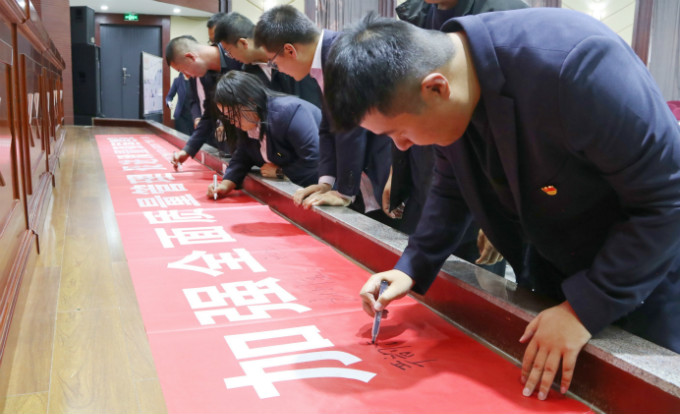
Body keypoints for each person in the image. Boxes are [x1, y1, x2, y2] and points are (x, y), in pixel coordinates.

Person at [323, 10, 680, 401]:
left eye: (400, 132)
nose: (402, 146)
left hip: (640, 272)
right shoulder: (451, 93)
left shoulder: (577, 67)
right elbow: (452, 186)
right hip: (553, 268)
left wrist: (585, 307)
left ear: (437, 89)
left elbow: (667, 197)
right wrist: (412, 265)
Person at [388, 0, 528, 275]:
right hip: (430, 182)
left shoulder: (506, 17)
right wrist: (397, 169)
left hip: (485, 193)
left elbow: (519, 133)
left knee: (476, 279)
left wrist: (505, 212)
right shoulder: (415, 17)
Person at [254, 5, 394, 223]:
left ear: (290, 50)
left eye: (274, 61)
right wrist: (326, 182)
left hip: (392, 164)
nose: (277, 68)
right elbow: (328, 127)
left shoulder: (345, 52)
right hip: (367, 172)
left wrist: (344, 192)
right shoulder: (323, 61)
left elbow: (351, 127)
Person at [208, 71, 321, 198]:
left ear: (251, 101)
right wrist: (224, 185)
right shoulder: (249, 121)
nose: (232, 121)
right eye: (227, 116)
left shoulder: (290, 113)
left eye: (233, 114)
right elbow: (242, 156)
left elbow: (315, 159)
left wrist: (281, 172)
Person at [213, 12, 323, 109]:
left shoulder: (290, 51)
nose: (230, 56)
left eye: (229, 51)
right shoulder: (247, 73)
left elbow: (312, 100)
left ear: (243, 43)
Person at [166, 35, 241, 168]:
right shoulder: (203, 75)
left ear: (190, 57)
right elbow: (209, 114)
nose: (186, 76)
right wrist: (187, 150)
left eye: (182, 70)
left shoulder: (237, 54)